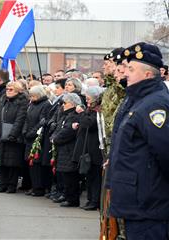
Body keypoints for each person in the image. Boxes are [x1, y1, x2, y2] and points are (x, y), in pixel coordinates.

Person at [107, 42, 169, 239]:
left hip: (148, 203)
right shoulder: (137, 99)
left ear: (148, 75)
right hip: (137, 201)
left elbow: (165, 153)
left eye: (131, 69)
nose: (126, 73)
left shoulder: (154, 104)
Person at [0, 81, 28, 193]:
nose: (8, 91)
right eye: (7, 89)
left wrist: (13, 134)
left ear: (18, 91)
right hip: (0, 134)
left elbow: (20, 120)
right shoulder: (3, 101)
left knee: (12, 163)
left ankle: (12, 185)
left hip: (14, 137)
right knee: (1, 162)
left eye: (11, 89)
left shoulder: (22, 102)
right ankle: (3, 184)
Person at [72, 86, 104, 211]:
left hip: (96, 149)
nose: (87, 101)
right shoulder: (90, 110)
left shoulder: (98, 111)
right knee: (90, 176)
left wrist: (81, 114)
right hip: (87, 147)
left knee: (96, 177)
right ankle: (91, 199)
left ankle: (95, 200)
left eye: (88, 98)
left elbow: (89, 124)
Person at [50, 93, 81, 207]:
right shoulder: (66, 114)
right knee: (65, 175)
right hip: (63, 149)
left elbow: (68, 132)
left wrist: (55, 139)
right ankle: (67, 196)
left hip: (69, 149)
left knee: (70, 176)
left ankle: (72, 199)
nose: (63, 105)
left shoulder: (73, 115)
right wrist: (53, 137)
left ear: (72, 104)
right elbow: (59, 128)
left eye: (65, 103)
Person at [23, 85, 52, 196]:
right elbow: (27, 118)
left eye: (33, 96)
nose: (31, 98)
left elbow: (42, 122)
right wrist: (25, 131)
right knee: (31, 164)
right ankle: (33, 186)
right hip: (29, 136)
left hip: (38, 139)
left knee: (37, 164)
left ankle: (39, 188)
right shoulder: (32, 105)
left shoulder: (45, 105)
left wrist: (31, 133)